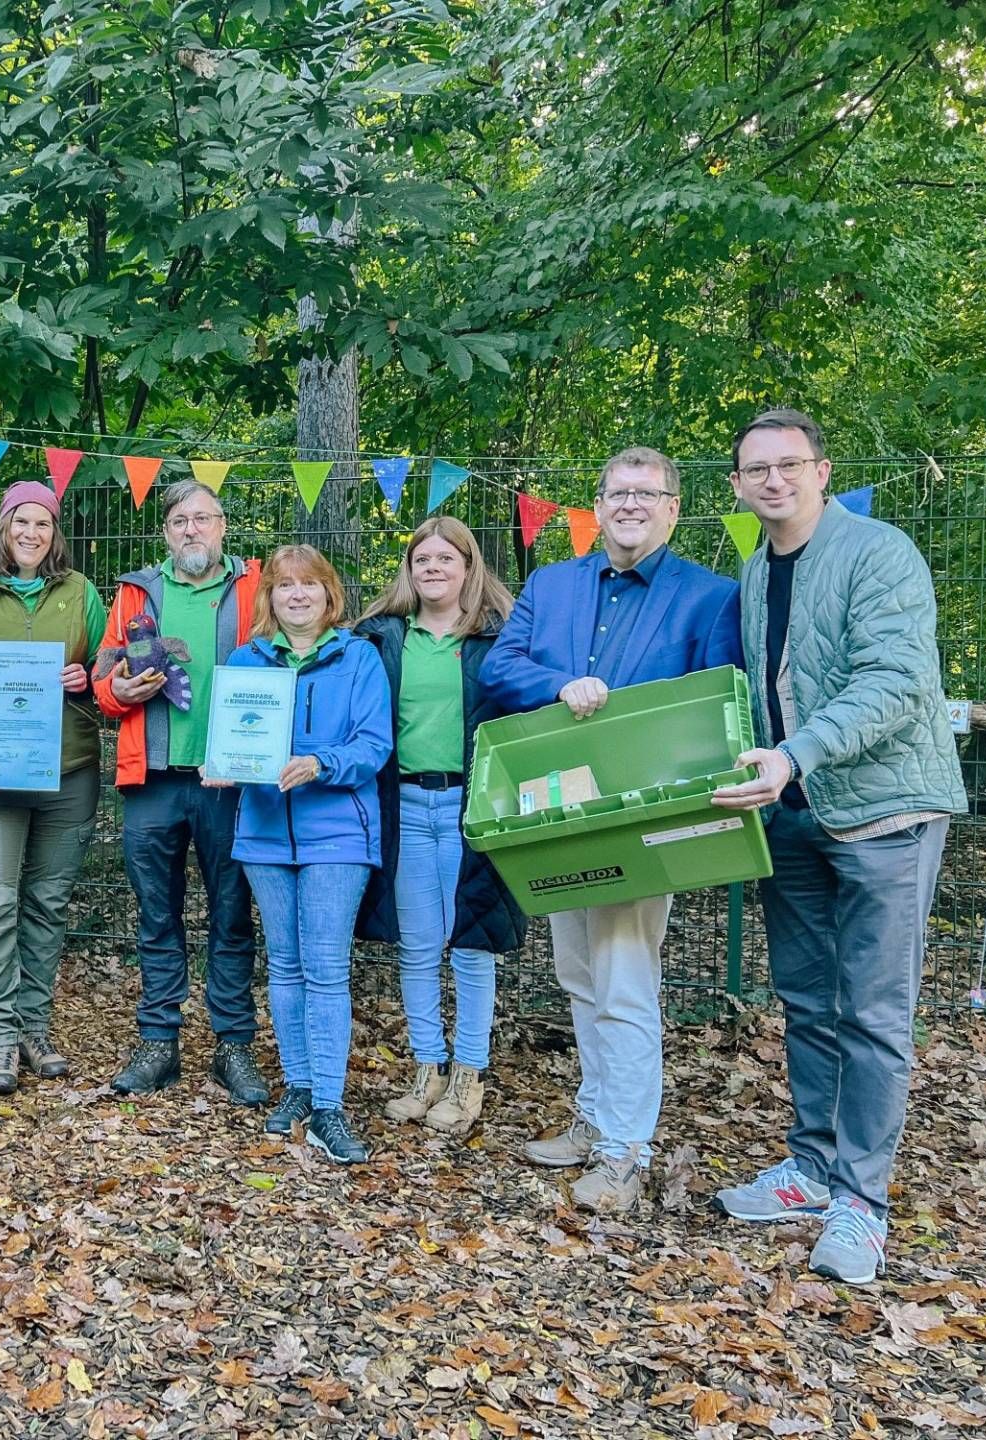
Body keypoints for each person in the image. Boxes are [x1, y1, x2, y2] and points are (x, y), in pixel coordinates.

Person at [710, 408, 965, 1286]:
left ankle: (863, 1199)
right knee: (808, 1002)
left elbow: (896, 681)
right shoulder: (753, 573)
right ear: (738, 486)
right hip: (794, 815)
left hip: (886, 814)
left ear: (822, 471)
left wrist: (795, 756)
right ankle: (812, 1170)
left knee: (875, 1012)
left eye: (789, 464)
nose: (773, 480)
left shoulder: (879, 553)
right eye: (756, 469)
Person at [481, 446, 741, 1213]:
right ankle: (595, 1122)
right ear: (597, 504)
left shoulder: (709, 597)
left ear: (673, 506)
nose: (629, 504)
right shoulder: (553, 583)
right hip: (558, 809)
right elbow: (501, 669)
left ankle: (627, 1151)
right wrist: (560, 685)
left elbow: (716, 707)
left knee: (626, 977)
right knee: (578, 972)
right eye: (616, 492)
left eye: (646, 492)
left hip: (641, 816)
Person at [207, 545, 393, 1164]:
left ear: (328, 593)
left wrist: (321, 763)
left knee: (325, 966)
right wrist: (224, 766)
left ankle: (330, 1108)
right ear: (269, 598)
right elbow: (233, 738)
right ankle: (299, 1087)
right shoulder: (245, 661)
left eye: (309, 585)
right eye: (284, 586)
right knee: (283, 966)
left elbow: (373, 744)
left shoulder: (359, 657)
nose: (297, 595)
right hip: (263, 830)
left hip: (337, 832)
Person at [93, 480, 269, 1106]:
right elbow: (102, 678)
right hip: (154, 780)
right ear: (165, 532)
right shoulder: (138, 593)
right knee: (156, 915)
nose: (192, 529)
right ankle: (158, 1042)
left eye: (203, 518)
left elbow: (284, 664)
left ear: (223, 526)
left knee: (231, 915)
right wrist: (122, 694)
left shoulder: (257, 585)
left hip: (230, 780)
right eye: (179, 521)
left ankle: (233, 1046)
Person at [354, 517, 526, 1138]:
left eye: (445, 559)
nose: (432, 568)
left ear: (468, 569)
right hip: (404, 805)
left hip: (470, 806)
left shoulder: (496, 640)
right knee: (419, 945)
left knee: (472, 946)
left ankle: (468, 1076)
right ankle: (426, 1069)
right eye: (421, 559)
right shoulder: (380, 638)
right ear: (409, 569)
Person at [0, 481, 106, 1095]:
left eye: (43, 523)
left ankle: (35, 1028)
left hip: (69, 771)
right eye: (20, 522)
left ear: (55, 531)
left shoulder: (82, 593)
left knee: (48, 904)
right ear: (2, 528)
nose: (31, 533)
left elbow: (106, 678)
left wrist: (84, 679)